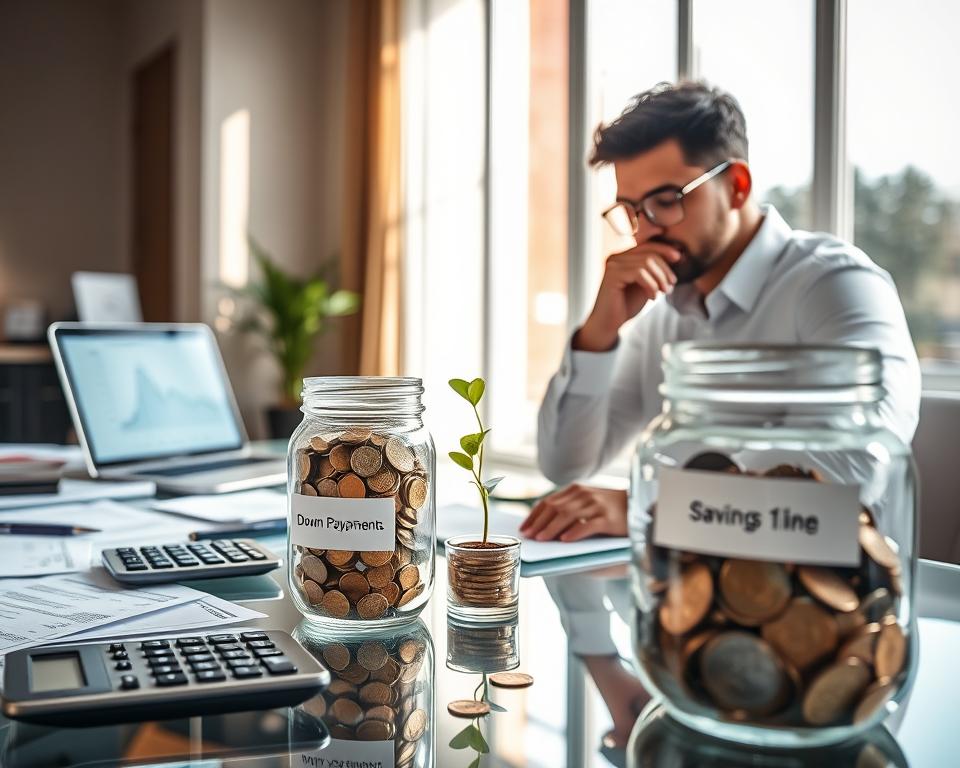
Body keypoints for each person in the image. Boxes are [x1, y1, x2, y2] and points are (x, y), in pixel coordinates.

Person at [521, 81, 921, 746]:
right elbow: (565, 462)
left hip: (833, 641)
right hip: (692, 639)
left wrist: (647, 505)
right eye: (630, 209)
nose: (646, 228)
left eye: (666, 200)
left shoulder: (835, 284)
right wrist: (600, 328)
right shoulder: (664, 316)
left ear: (736, 184)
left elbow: (863, 460)